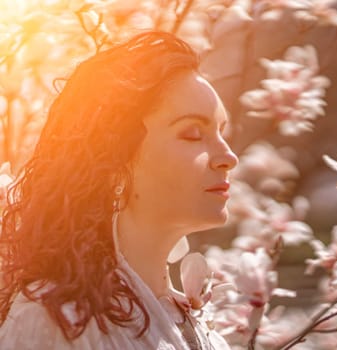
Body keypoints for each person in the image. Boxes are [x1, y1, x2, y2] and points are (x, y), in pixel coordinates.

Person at [0, 30, 238, 349]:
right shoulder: (56, 320)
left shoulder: (197, 327)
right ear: (114, 160)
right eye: (193, 133)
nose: (228, 157)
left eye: (221, 132)